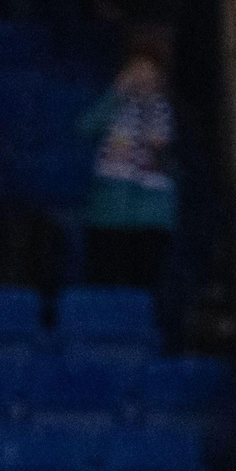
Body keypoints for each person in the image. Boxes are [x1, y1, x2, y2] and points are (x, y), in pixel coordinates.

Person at [80, 51, 178, 293]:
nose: (141, 79)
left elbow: (174, 157)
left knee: (143, 288)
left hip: (151, 215)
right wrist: (117, 93)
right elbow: (84, 128)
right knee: (105, 285)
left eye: (148, 73)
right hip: (108, 212)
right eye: (135, 72)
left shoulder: (172, 111)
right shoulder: (113, 105)